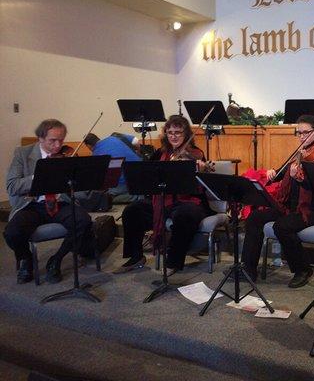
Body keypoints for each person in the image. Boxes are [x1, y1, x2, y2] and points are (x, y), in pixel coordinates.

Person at [240, 114, 314, 288]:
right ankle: (249, 268)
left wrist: (300, 179)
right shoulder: (298, 154)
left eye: (306, 133)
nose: (302, 137)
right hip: (290, 206)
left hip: (313, 210)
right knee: (255, 218)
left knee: (281, 226)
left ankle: (303, 269)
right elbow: (282, 173)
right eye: (299, 133)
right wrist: (273, 173)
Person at [114, 115, 212, 273]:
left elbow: (204, 184)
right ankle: (136, 257)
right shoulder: (161, 153)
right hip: (162, 200)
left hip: (188, 201)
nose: (173, 136)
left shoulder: (195, 153)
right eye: (170, 132)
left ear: (186, 134)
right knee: (132, 211)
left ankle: (173, 262)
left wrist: (199, 169)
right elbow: (148, 175)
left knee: (185, 214)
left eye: (178, 132)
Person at [3, 119, 93, 284]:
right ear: (40, 138)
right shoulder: (22, 154)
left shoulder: (65, 156)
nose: (58, 145)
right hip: (32, 204)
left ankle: (56, 260)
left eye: (61, 140)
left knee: (83, 221)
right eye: (53, 140)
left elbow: (79, 190)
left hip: (59, 203)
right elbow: (12, 185)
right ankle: (26, 258)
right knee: (11, 232)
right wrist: (39, 176)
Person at [83, 132, 142, 202]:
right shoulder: (114, 138)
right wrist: (138, 153)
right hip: (141, 175)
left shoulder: (96, 154)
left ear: (88, 146)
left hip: (125, 183)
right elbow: (136, 141)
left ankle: (137, 197)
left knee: (103, 198)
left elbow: (99, 178)